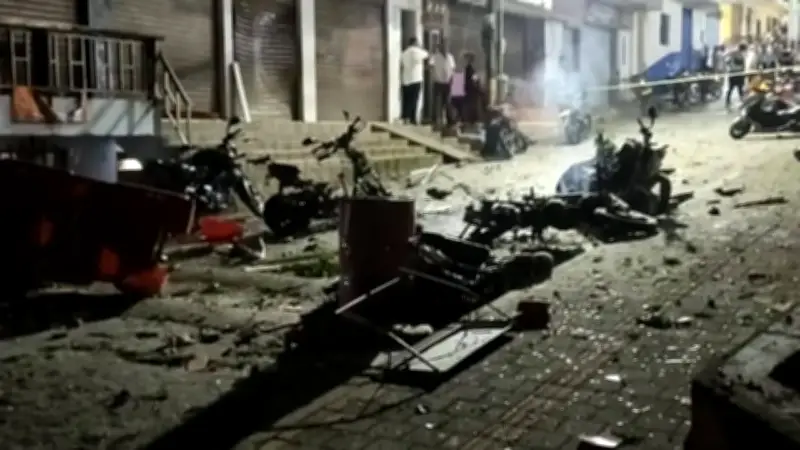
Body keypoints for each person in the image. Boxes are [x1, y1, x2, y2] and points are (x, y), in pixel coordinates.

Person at [399, 37, 428, 124]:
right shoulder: (417, 51)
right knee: (414, 100)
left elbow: (402, 64)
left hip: (406, 79)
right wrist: (420, 47)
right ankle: (413, 118)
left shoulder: (404, 53)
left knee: (406, 100)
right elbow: (426, 54)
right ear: (415, 43)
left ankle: (405, 117)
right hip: (416, 79)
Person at [430, 42, 455, 128]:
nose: (445, 49)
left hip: (447, 82)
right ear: (440, 48)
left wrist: (452, 79)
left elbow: (452, 68)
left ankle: (449, 120)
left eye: (446, 47)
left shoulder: (450, 57)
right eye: (443, 47)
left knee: (448, 102)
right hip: (438, 82)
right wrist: (434, 75)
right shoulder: (435, 56)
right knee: (437, 102)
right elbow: (430, 65)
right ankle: (436, 119)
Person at [725, 43, 747, 110]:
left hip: (736, 73)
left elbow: (743, 65)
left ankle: (740, 100)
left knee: (737, 88)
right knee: (734, 88)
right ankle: (729, 101)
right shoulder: (734, 53)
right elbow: (727, 60)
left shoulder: (739, 54)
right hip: (735, 73)